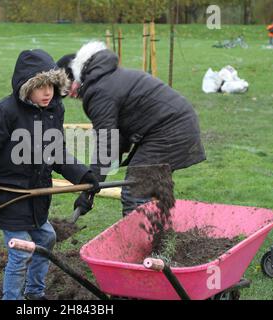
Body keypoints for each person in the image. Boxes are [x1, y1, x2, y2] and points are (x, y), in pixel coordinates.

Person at [0, 49, 98, 300]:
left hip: (37, 198)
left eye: (51, 85)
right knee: (22, 250)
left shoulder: (54, 110)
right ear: (26, 86)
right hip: (8, 197)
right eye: (40, 87)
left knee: (46, 238)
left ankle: (34, 293)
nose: (47, 92)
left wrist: (83, 176)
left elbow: (56, 152)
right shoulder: (5, 111)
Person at [57, 42, 206, 217]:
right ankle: (160, 237)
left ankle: (140, 242)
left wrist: (90, 188)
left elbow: (107, 143)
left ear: (76, 76)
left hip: (169, 130)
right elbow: (117, 139)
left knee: (134, 192)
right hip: (171, 126)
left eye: (69, 88)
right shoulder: (106, 80)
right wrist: (92, 187)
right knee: (149, 189)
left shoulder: (99, 92)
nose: (70, 95)